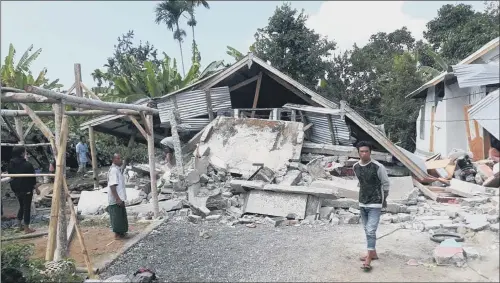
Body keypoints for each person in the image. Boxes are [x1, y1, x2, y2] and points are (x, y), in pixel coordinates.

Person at [352, 141, 390, 271]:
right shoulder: (355, 167)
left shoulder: (378, 167)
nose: (364, 154)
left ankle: (368, 257)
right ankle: (372, 252)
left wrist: (384, 200)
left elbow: (386, 185)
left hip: (375, 202)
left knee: (371, 230)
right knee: (366, 229)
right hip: (362, 201)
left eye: (366, 151)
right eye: (361, 151)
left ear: (370, 152)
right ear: (358, 152)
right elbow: (360, 183)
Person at [7, 146, 40, 234]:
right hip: (26, 188)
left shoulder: (11, 164)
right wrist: (36, 189)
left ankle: (19, 225)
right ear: (22, 153)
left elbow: (11, 176)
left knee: (22, 206)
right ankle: (26, 228)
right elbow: (33, 179)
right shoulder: (27, 165)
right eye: (25, 152)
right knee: (27, 207)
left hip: (16, 189)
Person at [107, 153, 128, 239]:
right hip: (116, 198)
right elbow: (112, 186)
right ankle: (117, 234)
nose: (120, 160)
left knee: (121, 216)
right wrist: (117, 198)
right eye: (118, 158)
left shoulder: (117, 169)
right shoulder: (113, 170)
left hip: (120, 197)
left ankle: (122, 233)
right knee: (117, 217)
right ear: (114, 160)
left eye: (120, 158)